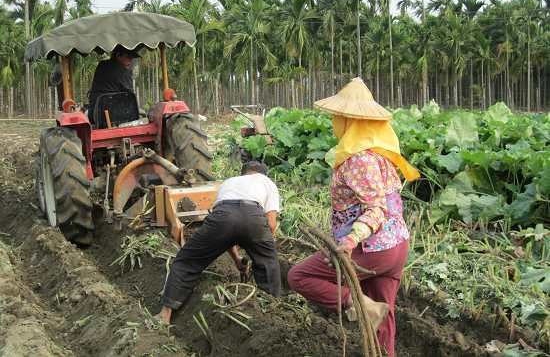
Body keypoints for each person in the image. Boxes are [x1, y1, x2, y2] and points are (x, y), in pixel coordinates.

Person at [287, 78, 420, 357]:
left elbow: (376, 209)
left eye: (338, 117)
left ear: (350, 121)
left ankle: (359, 304)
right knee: (384, 316)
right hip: (396, 246)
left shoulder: (359, 160)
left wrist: (350, 240)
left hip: (371, 247)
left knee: (299, 276)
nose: (335, 122)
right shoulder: (380, 155)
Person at [157, 160, 282, 324]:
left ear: (243, 173)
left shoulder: (229, 183)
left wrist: (237, 259)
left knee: (185, 262)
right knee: (269, 265)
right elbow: (271, 223)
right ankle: (273, 315)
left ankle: (164, 315)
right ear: (263, 174)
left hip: (223, 216)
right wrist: (261, 250)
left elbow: (226, 233)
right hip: (253, 217)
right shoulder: (267, 182)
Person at [88, 45, 139, 117]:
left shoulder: (101, 65)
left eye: (131, 58)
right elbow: (130, 96)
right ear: (118, 55)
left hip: (94, 112)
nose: (130, 60)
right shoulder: (123, 71)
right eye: (128, 57)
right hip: (113, 115)